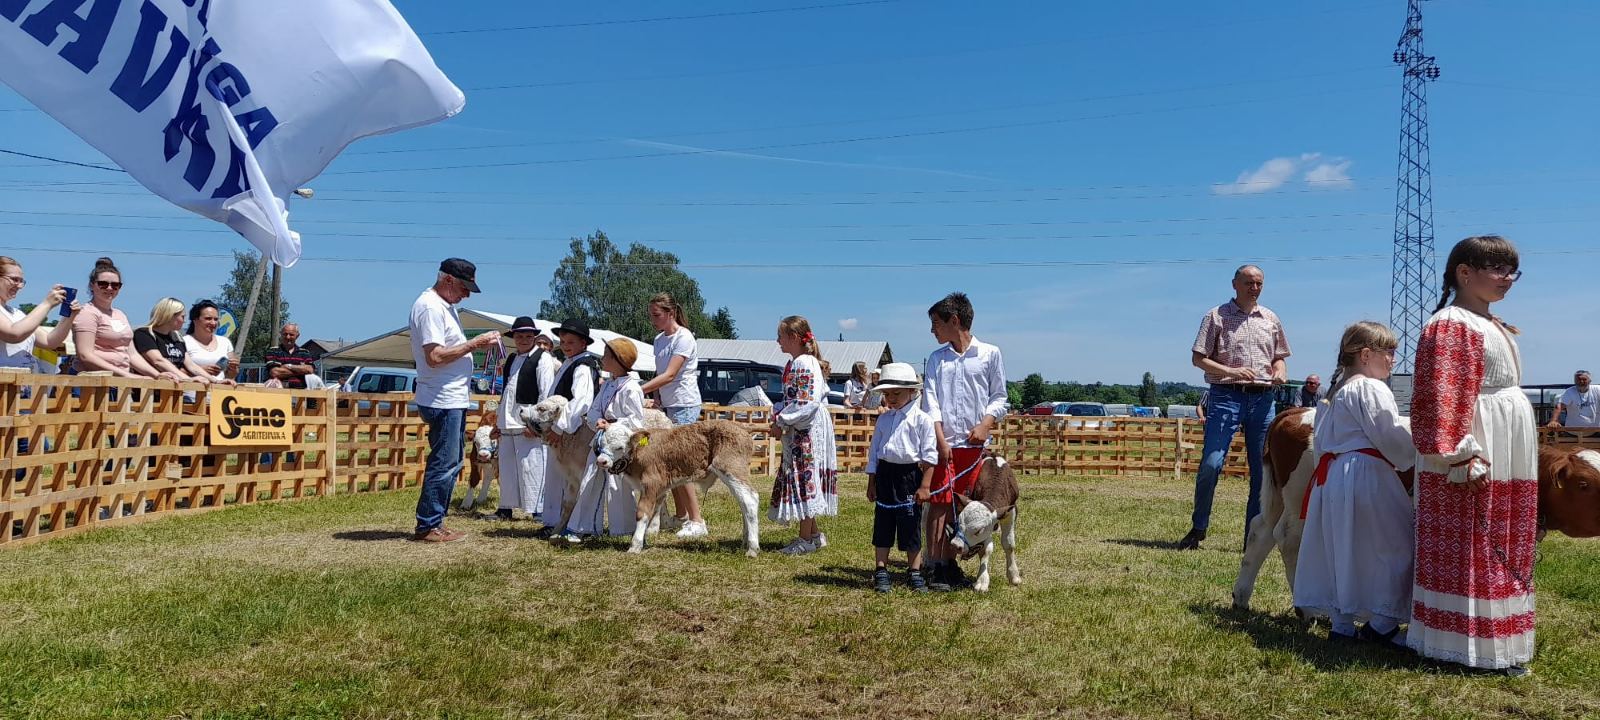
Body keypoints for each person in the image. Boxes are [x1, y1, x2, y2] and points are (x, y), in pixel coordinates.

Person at [1409, 235, 1537, 676]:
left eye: (1511, 271)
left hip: (1507, 441)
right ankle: (1464, 645)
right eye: (1497, 269)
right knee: (1473, 540)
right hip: (1476, 444)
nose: (1507, 279)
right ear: (1465, 273)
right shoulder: (1451, 323)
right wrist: (1461, 454)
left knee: (1500, 536)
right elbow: (1439, 397)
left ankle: (1498, 639)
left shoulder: (1492, 323)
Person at [1293, 321, 1414, 646]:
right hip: (1367, 475)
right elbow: (1389, 433)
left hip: (1332, 478)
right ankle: (1383, 624)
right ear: (1365, 354)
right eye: (1389, 351)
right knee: (1395, 545)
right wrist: (1417, 444)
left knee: (1343, 547)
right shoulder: (1370, 388)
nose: (1393, 360)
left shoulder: (1334, 393)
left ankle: (1342, 624)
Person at [1177, 265, 1290, 551]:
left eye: (1259, 283)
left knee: (1261, 472)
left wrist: (1280, 371)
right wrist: (1232, 371)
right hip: (1226, 394)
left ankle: (1251, 539)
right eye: (1249, 283)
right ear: (1235, 284)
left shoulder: (1271, 318)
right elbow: (1198, 358)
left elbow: (1279, 358)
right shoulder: (1216, 316)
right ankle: (1199, 526)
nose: (1255, 288)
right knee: (1212, 463)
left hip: (1264, 399)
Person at [409, 258, 500, 543]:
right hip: (441, 398)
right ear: (447, 280)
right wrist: (475, 343)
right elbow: (434, 357)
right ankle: (428, 525)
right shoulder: (430, 307)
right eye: (464, 287)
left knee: (451, 461)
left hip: (450, 397)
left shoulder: (443, 307)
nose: (467, 294)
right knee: (445, 462)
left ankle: (435, 521)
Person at [921, 292, 1007, 591]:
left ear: (954, 321)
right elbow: (930, 401)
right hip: (942, 443)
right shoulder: (937, 360)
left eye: (936, 323)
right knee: (940, 503)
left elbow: (999, 397)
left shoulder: (989, 354)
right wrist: (940, 440)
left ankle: (954, 560)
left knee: (967, 504)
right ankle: (937, 565)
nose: (933, 330)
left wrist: (986, 424)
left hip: (973, 446)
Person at [638, 293, 708, 539]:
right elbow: (660, 374)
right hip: (667, 404)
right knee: (668, 463)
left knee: (680, 463)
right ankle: (681, 516)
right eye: (651, 315)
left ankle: (697, 519)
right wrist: (655, 396)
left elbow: (670, 374)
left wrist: (638, 389)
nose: (653, 320)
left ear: (671, 313)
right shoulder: (659, 340)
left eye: (656, 315)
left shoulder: (684, 337)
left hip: (684, 404)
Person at [864, 362, 937, 593]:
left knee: (910, 524)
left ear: (912, 392)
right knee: (883, 523)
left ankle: (914, 571)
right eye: (887, 393)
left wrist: (925, 485)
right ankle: (881, 569)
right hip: (885, 474)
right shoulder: (883, 420)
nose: (891, 398)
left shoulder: (922, 420)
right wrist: (871, 481)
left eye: (897, 393)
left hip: (909, 475)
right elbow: (875, 451)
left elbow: (930, 456)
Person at [768, 315, 838, 555]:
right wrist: (779, 414)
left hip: (806, 429)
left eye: (781, 336)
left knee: (804, 476)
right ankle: (814, 535)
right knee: (802, 476)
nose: (777, 340)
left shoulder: (804, 363)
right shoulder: (798, 362)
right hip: (802, 426)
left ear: (794, 338)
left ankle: (805, 539)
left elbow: (806, 402)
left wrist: (781, 420)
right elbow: (795, 400)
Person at [573, 338, 649, 538]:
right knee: (590, 480)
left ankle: (623, 529)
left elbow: (635, 421)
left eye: (606, 355)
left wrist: (613, 425)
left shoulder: (631, 388)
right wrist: (597, 420)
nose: (603, 359)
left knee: (618, 486)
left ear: (618, 360)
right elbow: (594, 409)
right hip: (600, 441)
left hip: (618, 445)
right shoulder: (607, 385)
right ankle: (585, 527)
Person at [485, 317, 557, 521]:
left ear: (534, 337)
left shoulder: (542, 359)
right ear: (514, 338)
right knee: (507, 468)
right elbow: (506, 392)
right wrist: (498, 423)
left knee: (532, 466)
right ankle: (505, 507)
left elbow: (545, 393)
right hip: (508, 421)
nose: (523, 340)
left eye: (528, 336)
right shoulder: (511, 360)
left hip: (527, 421)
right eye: (519, 336)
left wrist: (536, 425)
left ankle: (538, 509)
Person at [541, 319, 600, 540]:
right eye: (563, 341)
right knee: (562, 478)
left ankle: (575, 523)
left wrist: (560, 427)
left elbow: (581, 401)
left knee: (574, 477)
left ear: (583, 343)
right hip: (566, 430)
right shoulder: (570, 362)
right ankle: (558, 521)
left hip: (575, 431)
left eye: (571, 342)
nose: (565, 345)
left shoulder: (583, 366)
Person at [73, 257, 162, 379]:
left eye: (115, 285)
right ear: (92, 286)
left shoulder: (120, 314)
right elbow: (85, 355)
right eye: (103, 284)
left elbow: (132, 354)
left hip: (119, 382)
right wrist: (128, 376)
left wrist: (158, 375)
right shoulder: (87, 313)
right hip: (93, 383)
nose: (109, 288)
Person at [0, 256, 79, 372]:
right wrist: (47, 303)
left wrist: (69, 316)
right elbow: (14, 334)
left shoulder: (17, 313)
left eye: (21, 281)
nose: (19, 285)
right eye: (14, 279)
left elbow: (49, 341)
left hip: (21, 386)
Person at [133, 298, 214, 382]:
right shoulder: (144, 334)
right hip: (150, 392)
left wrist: (214, 380)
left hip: (174, 391)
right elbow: (158, 361)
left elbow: (191, 365)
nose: (184, 321)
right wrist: (187, 379)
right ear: (170, 315)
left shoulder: (177, 338)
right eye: (182, 317)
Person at [183, 300, 238, 385]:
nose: (213, 323)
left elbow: (231, 376)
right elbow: (174, 371)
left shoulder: (225, 342)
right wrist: (201, 371)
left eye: (216, 319)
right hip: (191, 396)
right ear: (195, 320)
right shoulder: (184, 342)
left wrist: (233, 369)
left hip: (219, 395)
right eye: (208, 319)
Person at [265, 323, 317, 389]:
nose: (288, 337)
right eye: (285, 334)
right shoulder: (273, 351)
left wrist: (289, 366)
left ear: (297, 336)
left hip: (300, 394)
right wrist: (301, 371)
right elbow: (275, 372)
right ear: (281, 334)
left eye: (291, 334)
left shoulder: (304, 353)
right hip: (279, 393)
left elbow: (310, 370)